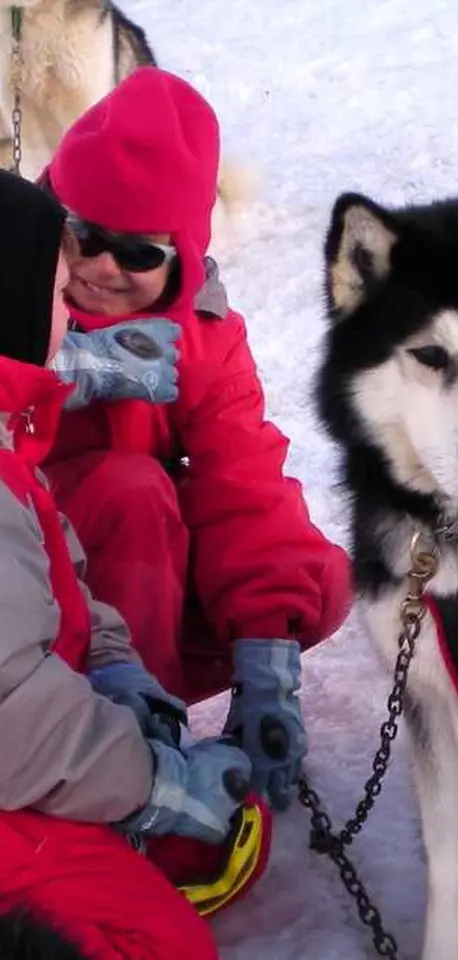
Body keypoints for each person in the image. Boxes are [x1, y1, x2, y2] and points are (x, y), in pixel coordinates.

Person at [38, 66, 354, 811]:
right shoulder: (10, 279)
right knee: (131, 489)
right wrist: (63, 365)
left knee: (312, 582)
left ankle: (147, 706)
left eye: (139, 253)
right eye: (83, 236)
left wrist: (265, 659)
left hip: (116, 586)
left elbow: (241, 481)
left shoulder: (205, 339)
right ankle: (125, 758)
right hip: (20, 572)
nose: (102, 267)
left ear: (180, 254)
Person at [0, 168, 254, 960]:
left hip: (33, 742)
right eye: (55, 291)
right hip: (12, 768)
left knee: (225, 834)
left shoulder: (10, 435)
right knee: (152, 943)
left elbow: (63, 575)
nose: (77, 304)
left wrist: (119, 675)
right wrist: (153, 783)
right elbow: (8, 714)